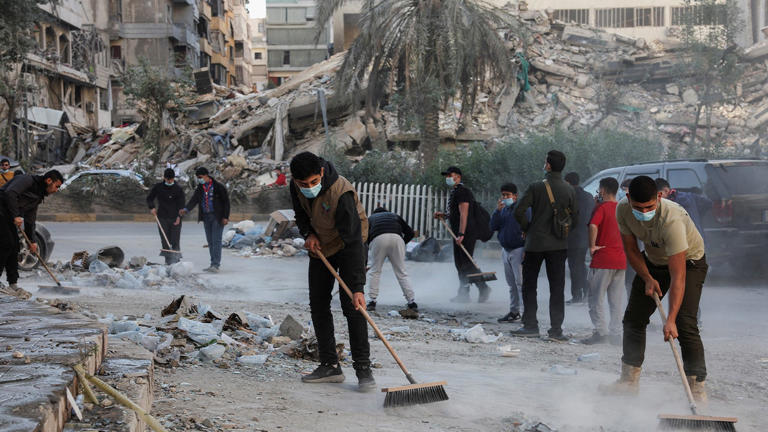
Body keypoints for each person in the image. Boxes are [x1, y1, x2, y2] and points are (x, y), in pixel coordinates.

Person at [601, 176, 708, 402]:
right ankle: (628, 381)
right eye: (638, 207)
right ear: (628, 198)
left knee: (684, 323)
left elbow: (678, 276)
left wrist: (670, 319)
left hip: (689, 262)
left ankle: (696, 389)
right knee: (633, 318)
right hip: (652, 261)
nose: (644, 211)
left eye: (649, 206)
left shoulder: (672, 220)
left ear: (659, 197)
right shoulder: (622, 210)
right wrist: (647, 277)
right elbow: (631, 250)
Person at [289, 151, 375, 390]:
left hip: (350, 244)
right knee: (318, 303)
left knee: (353, 306)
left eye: (314, 182)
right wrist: (309, 234)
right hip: (321, 246)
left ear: (322, 173)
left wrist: (357, 287)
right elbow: (301, 214)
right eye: (303, 184)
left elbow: (354, 241)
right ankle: (329, 365)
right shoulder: (295, 185)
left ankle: (364, 370)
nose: (309, 187)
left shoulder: (341, 192)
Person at [511, 150, 577, 341]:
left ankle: (530, 325)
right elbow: (576, 218)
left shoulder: (536, 187)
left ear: (548, 165)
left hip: (535, 244)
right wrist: (563, 232)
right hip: (559, 245)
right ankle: (556, 330)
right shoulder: (569, 189)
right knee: (557, 288)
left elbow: (519, 211)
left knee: (529, 285)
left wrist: (528, 228)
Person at [433, 166, 491, 303]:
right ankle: (464, 292)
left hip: (466, 233)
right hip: (460, 232)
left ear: (458, 177)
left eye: (450, 175)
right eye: (446, 176)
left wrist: (461, 233)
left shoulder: (463, 192)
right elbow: (457, 214)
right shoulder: (456, 191)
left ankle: (482, 288)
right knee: (461, 263)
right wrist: (445, 215)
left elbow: (464, 214)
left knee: (466, 263)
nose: (447, 178)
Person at [0, 170, 63, 292]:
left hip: (8, 217)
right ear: (49, 180)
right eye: (57, 186)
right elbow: (10, 193)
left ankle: (13, 283)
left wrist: (32, 241)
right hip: (1, 212)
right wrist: (16, 215)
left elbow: (30, 220)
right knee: (6, 244)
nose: (56, 190)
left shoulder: (38, 195)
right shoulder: (26, 180)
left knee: (14, 247)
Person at [581, 177, 625, 345]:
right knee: (616, 300)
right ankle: (616, 335)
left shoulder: (602, 208)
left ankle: (600, 332)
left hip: (603, 259)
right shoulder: (622, 208)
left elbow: (593, 225)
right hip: (620, 260)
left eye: (599, 189)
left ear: (604, 190)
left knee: (595, 298)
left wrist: (592, 246)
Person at [365, 206, 417, 312]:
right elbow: (411, 233)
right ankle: (412, 302)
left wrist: (364, 262)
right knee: (401, 272)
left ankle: (372, 301)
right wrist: (402, 243)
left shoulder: (371, 218)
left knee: (375, 271)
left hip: (378, 239)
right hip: (397, 238)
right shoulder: (394, 216)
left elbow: (364, 238)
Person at [180, 167, 230, 273]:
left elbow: (226, 203)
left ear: (206, 175)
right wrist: (186, 209)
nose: (199, 179)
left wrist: (225, 217)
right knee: (210, 241)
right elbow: (194, 200)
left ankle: (216, 265)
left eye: (200, 177)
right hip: (206, 217)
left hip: (217, 217)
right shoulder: (200, 188)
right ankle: (212, 263)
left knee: (216, 241)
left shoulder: (218, 187)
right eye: (198, 178)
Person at [490, 183, 526, 323]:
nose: (505, 198)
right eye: (503, 195)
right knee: (511, 284)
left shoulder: (522, 210)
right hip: (506, 250)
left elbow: (529, 229)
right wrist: (497, 211)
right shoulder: (503, 210)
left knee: (521, 283)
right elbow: (493, 226)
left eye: (508, 195)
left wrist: (526, 249)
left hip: (518, 249)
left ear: (515, 196)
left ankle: (525, 313)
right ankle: (514, 311)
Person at [565, 172, 594, 304]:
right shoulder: (589, 196)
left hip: (572, 237)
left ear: (568, 183)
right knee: (580, 265)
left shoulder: (568, 197)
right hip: (586, 236)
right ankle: (587, 291)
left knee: (574, 266)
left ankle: (577, 295)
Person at [147, 168, 185, 265]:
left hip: (175, 217)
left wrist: (179, 217)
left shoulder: (178, 189)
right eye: (168, 179)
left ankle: (176, 261)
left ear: (173, 178)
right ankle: (168, 261)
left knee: (175, 239)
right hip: (162, 217)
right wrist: (152, 207)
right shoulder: (158, 187)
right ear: (164, 178)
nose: (169, 181)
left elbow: (181, 205)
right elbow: (150, 198)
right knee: (165, 240)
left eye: (171, 179)